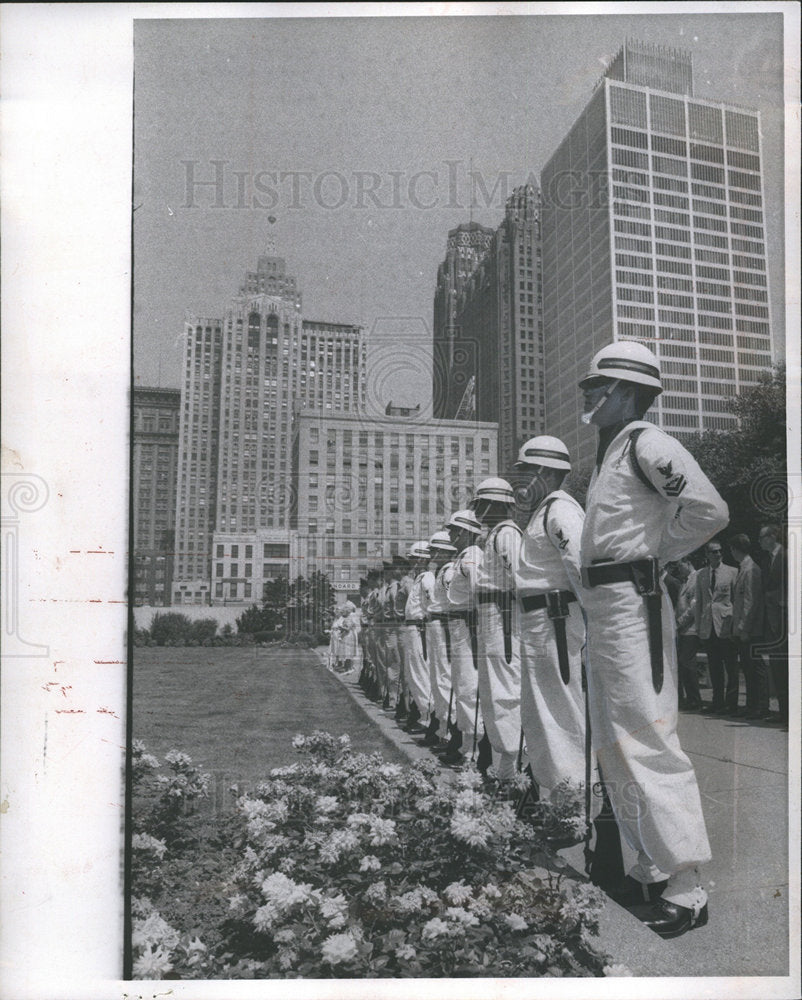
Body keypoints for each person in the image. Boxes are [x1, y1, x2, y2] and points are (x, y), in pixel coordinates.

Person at [578, 339, 728, 938]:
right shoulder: (612, 454)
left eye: (598, 386)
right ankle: (649, 868)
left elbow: (709, 511)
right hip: (606, 605)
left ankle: (688, 884)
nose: (589, 395)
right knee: (617, 743)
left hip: (630, 601)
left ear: (628, 392)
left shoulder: (647, 443)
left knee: (647, 735)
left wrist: (656, 554)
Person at [513, 436, 587, 797]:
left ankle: (569, 800)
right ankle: (553, 792)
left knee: (561, 709)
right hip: (540, 619)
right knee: (541, 709)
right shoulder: (544, 511)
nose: (520, 480)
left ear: (544, 471)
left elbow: (579, 564)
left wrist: (592, 617)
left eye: (525, 471)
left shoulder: (560, 510)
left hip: (555, 618)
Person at [472, 478, 523, 787]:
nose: (478, 511)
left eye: (481, 504)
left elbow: (519, 578)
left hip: (503, 616)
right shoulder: (493, 536)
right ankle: (502, 768)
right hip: (490, 614)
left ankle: (513, 772)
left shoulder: (506, 535)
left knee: (506, 690)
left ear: (494, 504)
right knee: (493, 693)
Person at [443, 508, 484, 766]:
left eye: (456, 530)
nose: (452, 535)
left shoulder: (471, 556)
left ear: (467, 533)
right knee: (461, 686)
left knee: (469, 687)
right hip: (458, 624)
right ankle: (466, 746)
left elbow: (478, 591)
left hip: (468, 625)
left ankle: (475, 750)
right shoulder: (463, 557)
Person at [420, 530, 457, 747]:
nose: (432, 554)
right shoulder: (442, 571)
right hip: (435, 624)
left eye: (435, 550)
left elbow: (453, 604)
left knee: (445, 678)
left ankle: (452, 729)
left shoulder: (450, 572)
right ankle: (443, 728)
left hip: (444, 626)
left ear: (445, 551)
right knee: (437, 679)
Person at [695, 541, 738, 714]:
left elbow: (736, 601)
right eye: (713, 552)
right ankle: (717, 702)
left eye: (720, 551)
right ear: (707, 555)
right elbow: (700, 602)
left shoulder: (732, 572)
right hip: (709, 626)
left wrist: (735, 625)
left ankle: (732, 704)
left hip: (726, 625)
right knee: (714, 667)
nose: (718, 554)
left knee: (731, 666)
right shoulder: (701, 575)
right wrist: (699, 627)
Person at [730, 533, 767, 720]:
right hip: (745, 629)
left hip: (750, 630)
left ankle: (760, 706)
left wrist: (744, 628)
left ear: (735, 550)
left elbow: (750, 601)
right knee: (748, 668)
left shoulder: (751, 569)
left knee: (755, 668)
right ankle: (752, 705)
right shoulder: (744, 568)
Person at [400, 541, 432, 734]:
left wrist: (425, 625)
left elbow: (430, 604)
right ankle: (422, 714)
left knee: (420, 673)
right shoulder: (419, 577)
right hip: (412, 627)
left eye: (413, 558)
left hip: (419, 628)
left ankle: (426, 717)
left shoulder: (427, 577)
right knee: (413, 673)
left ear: (422, 558)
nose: (411, 562)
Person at [758, 524, 788, 726]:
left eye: (762, 537)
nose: (759, 541)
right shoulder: (768, 559)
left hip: (784, 621)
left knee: (785, 667)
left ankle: (790, 716)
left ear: (773, 536)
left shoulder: (786, 557)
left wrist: (773, 598)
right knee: (778, 668)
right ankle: (785, 714)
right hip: (773, 620)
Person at [672, 559, 702, 712]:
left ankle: (695, 699)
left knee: (686, 662)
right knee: (683, 664)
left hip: (691, 628)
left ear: (688, 563)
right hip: (682, 629)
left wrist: (680, 622)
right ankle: (689, 699)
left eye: (680, 566)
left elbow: (694, 606)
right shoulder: (684, 581)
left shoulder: (696, 578)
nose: (679, 570)